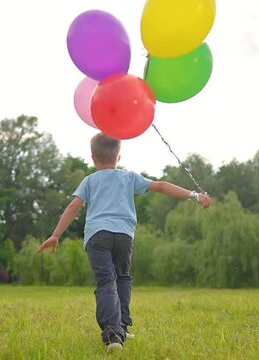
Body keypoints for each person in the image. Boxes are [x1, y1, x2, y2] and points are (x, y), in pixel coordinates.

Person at [36, 133, 211, 351]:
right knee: (122, 279)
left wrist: (55, 234)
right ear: (118, 157)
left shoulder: (89, 180)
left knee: (106, 282)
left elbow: (73, 207)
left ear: (93, 158)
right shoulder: (130, 178)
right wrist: (194, 195)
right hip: (123, 236)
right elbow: (162, 185)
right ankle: (122, 327)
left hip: (97, 236)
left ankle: (113, 334)